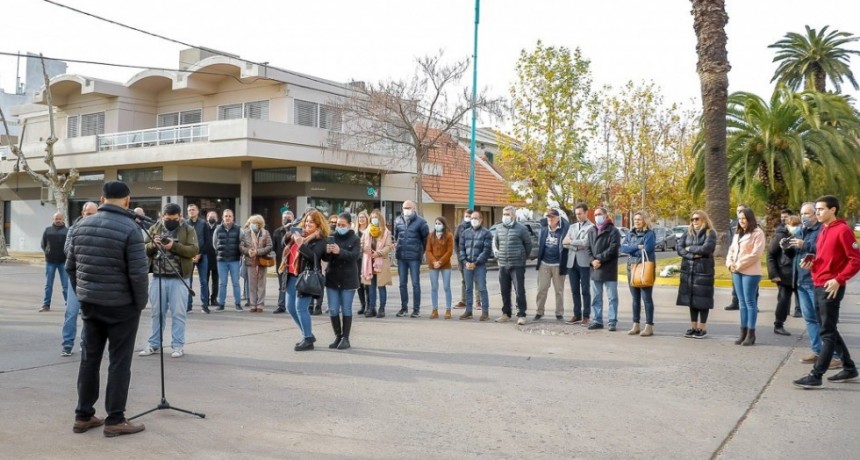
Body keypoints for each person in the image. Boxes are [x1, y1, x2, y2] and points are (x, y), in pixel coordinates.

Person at [66, 180, 148, 437]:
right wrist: (139, 304)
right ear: (127, 200)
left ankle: (83, 415)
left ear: (101, 199)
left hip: (90, 304)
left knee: (89, 360)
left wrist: (83, 292)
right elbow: (138, 275)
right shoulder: (130, 229)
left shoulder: (80, 225)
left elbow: (71, 266)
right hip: (121, 306)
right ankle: (115, 419)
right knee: (119, 363)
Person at [793, 195, 860, 388]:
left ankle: (816, 374)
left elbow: (855, 259)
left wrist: (839, 279)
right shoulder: (824, 229)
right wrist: (812, 260)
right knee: (828, 329)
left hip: (830, 287)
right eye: (817, 209)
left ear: (833, 210)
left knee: (827, 332)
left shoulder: (843, 230)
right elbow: (824, 254)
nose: (817, 212)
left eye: (821, 209)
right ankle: (849, 367)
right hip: (817, 282)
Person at [139, 202, 199, 358]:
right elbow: (143, 248)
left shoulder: (188, 229)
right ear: (162, 216)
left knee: (179, 314)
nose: (171, 221)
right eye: (168, 218)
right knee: (157, 313)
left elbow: (193, 250)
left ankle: (178, 345)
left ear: (180, 217)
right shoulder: (154, 228)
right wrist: (154, 245)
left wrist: (173, 246)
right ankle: (154, 344)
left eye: (174, 218)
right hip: (158, 278)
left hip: (179, 278)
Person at [785, 203, 834, 366]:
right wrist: (786, 247)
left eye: (807, 213)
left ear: (816, 214)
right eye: (801, 213)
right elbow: (794, 253)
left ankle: (834, 356)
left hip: (814, 281)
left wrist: (803, 244)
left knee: (823, 320)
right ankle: (818, 351)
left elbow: (822, 249)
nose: (804, 216)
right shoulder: (801, 231)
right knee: (810, 319)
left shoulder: (822, 230)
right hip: (800, 280)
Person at [61, 202, 98, 356]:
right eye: (88, 213)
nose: (91, 217)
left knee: (88, 314)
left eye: (94, 214)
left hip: (93, 278)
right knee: (71, 312)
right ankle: (67, 345)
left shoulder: (100, 231)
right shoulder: (73, 230)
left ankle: (86, 344)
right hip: (76, 277)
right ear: (83, 213)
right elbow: (67, 250)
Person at [727, 207, 765, 346]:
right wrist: (730, 263)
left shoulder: (757, 232)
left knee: (750, 302)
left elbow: (756, 254)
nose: (742, 221)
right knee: (741, 303)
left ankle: (751, 333)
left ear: (750, 219)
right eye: (740, 219)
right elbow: (731, 250)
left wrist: (739, 265)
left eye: (744, 218)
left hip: (751, 272)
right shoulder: (738, 233)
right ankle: (742, 332)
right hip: (736, 271)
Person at [676, 210, 717, 338]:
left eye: (697, 219)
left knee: (703, 301)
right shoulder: (687, 233)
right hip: (689, 271)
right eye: (692, 219)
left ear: (704, 219)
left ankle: (702, 328)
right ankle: (693, 327)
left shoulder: (711, 233)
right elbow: (679, 248)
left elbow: (706, 249)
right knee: (692, 300)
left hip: (703, 271)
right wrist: (692, 255)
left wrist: (689, 249)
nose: (694, 221)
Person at [324, 213, 361, 349]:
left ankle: (346, 338)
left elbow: (354, 256)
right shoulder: (332, 236)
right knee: (333, 309)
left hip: (348, 278)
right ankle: (337, 336)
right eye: (338, 224)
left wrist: (340, 251)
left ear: (349, 225)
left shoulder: (355, 238)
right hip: (333, 277)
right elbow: (326, 258)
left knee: (346, 308)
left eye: (343, 225)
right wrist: (327, 251)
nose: (340, 227)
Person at [293, 209, 328, 351]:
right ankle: (307, 336)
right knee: (298, 308)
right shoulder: (306, 236)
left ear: (318, 225)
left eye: (311, 222)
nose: (308, 224)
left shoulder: (320, 239)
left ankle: (308, 338)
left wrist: (301, 245)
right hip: (302, 274)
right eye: (307, 221)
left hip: (310, 277)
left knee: (301, 308)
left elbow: (314, 257)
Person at [620, 211, 657, 337]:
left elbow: (647, 249)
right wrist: (637, 247)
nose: (636, 221)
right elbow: (623, 248)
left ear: (645, 221)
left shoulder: (650, 234)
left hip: (645, 267)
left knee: (646, 298)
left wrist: (633, 249)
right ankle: (635, 324)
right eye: (635, 219)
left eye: (639, 219)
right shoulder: (631, 233)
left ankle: (649, 326)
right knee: (635, 299)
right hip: (632, 267)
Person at [494, 206, 532, 325]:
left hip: (517, 264)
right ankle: (506, 313)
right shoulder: (499, 228)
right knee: (504, 290)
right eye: (504, 214)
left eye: (508, 214)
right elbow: (497, 243)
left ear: (514, 216)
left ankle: (521, 314)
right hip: (503, 264)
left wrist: (522, 257)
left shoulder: (521, 229)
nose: (505, 216)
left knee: (519, 290)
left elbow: (528, 245)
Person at [586, 207, 621, 331]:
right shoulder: (591, 231)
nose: (597, 216)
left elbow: (613, 249)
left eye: (599, 214)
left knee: (612, 297)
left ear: (606, 215)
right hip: (595, 269)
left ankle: (612, 321)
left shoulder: (613, 231)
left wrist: (599, 259)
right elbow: (588, 248)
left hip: (609, 269)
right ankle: (597, 320)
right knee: (596, 297)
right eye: (595, 214)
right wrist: (592, 261)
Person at [393, 200, 429, 318]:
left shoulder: (421, 222)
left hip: (414, 257)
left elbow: (426, 239)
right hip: (401, 257)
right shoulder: (398, 220)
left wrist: (420, 252)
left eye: (409, 207)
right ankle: (404, 308)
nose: (406, 210)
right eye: (404, 207)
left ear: (414, 208)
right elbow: (396, 236)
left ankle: (416, 309)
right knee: (402, 284)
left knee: (415, 283)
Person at [535, 208, 569, 321]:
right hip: (544, 264)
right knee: (541, 289)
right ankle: (539, 311)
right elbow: (541, 246)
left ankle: (559, 313)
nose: (550, 219)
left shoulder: (564, 230)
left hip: (558, 265)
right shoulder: (543, 230)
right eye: (549, 217)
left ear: (558, 218)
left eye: (553, 217)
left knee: (559, 290)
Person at [458, 211, 493, 321]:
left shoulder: (486, 233)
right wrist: (465, 262)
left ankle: (485, 313)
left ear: (481, 219)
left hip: (480, 265)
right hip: (467, 265)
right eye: (471, 218)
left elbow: (486, 250)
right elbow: (461, 249)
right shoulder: (465, 233)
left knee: (482, 288)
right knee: (468, 289)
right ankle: (468, 311)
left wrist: (476, 263)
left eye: (475, 218)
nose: (473, 220)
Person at [563, 203, 594, 325]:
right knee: (574, 290)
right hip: (572, 262)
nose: (578, 216)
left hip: (584, 262)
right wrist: (574, 243)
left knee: (585, 290)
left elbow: (586, 243)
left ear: (586, 213)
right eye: (576, 214)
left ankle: (586, 316)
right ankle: (576, 314)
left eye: (580, 214)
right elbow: (564, 243)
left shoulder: (591, 227)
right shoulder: (572, 227)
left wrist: (571, 242)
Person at [767, 208, 796, 336]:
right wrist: (774, 274)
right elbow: (771, 255)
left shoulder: (803, 234)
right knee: (783, 300)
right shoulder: (780, 235)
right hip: (785, 274)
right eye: (783, 217)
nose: (784, 219)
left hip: (801, 274)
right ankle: (778, 324)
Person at [361, 209, 393, 318]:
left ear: (379, 219)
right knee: (371, 287)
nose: (373, 219)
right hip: (369, 262)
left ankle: (382, 308)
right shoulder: (366, 231)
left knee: (381, 286)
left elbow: (388, 246)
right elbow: (361, 243)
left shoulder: (386, 232)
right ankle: (371, 308)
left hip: (381, 262)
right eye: (372, 217)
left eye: (376, 217)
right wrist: (365, 249)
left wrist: (379, 253)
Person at [240, 214, 273, 312]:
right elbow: (241, 246)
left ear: (259, 224)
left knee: (261, 284)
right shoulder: (245, 233)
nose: (252, 225)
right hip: (250, 261)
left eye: (254, 223)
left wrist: (258, 251)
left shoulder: (265, 233)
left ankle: (260, 304)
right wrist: (248, 251)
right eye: (251, 223)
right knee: (252, 284)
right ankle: (253, 304)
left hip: (262, 261)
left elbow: (269, 246)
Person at [213, 209, 242, 311]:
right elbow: (214, 243)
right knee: (222, 283)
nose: (228, 218)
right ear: (223, 218)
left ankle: (238, 304)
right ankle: (221, 304)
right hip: (221, 260)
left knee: (236, 283)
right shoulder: (218, 229)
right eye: (226, 216)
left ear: (233, 217)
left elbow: (241, 242)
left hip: (234, 260)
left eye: (230, 216)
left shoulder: (238, 229)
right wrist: (220, 253)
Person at [426, 216, 454, 319]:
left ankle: (448, 310)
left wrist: (440, 262)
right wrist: (434, 261)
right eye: (436, 223)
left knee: (446, 287)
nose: (437, 225)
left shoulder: (449, 236)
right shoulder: (430, 236)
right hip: (433, 265)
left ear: (444, 224)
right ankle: (434, 309)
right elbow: (428, 250)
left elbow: (449, 251)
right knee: (434, 287)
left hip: (445, 264)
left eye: (439, 223)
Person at [40, 211, 69, 312]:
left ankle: (68, 304)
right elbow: (43, 244)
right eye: (56, 218)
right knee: (48, 285)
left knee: (65, 285)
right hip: (50, 261)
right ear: (53, 219)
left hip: (63, 262)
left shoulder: (67, 231)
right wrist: (47, 252)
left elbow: (70, 246)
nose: (58, 220)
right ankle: (46, 305)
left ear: (63, 219)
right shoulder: (47, 230)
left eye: (60, 218)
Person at [185, 203, 211, 313]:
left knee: (203, 281)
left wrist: (199, 254)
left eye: (193, 209)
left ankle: (204, 305)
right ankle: (188, 306)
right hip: (188, 256)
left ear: (198, 211)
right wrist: (190, 254)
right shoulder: (184, 224)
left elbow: (207, 241)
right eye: (189, 210)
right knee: (188, 282)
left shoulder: (204, 224)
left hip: (202, 255)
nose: (191, 211)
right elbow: (183, 241)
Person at [453, 208, 479, 309]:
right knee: (464, 280)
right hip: (462, 259)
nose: (468, 218)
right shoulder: (460, 227)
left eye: (470, 216)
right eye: (466, 216)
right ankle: (463, 301)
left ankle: (478, 302)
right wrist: (460, 255)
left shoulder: (477, 227)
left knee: (477, 280)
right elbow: (455, 241)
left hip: (475, 259)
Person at [725, 204, 748, 311]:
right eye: (738, 211)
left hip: (747, 259)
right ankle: (735, 302)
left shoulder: (753, 225)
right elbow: (731, 240)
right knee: (735, 282)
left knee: (750, 284)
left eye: (742, 210)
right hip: (735, 257)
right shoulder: (733, 224)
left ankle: (752, 304)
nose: (739, 212)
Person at [272, 210, 294, 314]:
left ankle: (293, 305)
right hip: (282, 263)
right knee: (282, 285)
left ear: (293, 219)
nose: (287, 220)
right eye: (285, 218)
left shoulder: (298, 231)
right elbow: (275, 248)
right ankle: (281, 305)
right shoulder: (277, 232)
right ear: (282, 219)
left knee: (294, 285)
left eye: (289, 218)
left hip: (294, 263)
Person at [354, 211, 371, 315]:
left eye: (363, 217)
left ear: (367, 219)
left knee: (367, 283)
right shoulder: (355, 231)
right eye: (360, 217)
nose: (361, 219)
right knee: (359, 284)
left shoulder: (370, 230)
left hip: (367, 259)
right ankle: (363, 305)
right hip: (357, 260)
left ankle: (370, 305)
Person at [205, 211, 220, 306]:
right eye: (210, 216)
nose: (212, 218)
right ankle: (205, 299)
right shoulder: (204, 227)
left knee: (216, 281)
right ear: (207, 217)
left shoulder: (219, 228)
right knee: (204, 280)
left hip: (216, 257)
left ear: (217, 218)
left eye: (214, 216)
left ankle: (214, 298)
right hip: (205, 257)